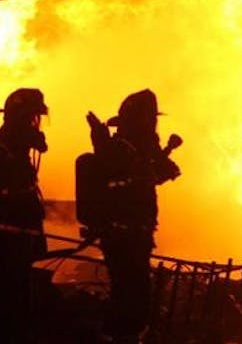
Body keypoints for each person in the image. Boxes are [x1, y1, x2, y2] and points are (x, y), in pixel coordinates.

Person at [85, 89, 181, 344]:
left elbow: (164, 173)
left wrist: (160, 155)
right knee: (129, 295)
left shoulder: (140, 150)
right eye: (149, 120)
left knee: (137, 295)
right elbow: (125, 178)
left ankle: (124, 336)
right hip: (122, 235)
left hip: (138, 234)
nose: (153, 126)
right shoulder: (118, 149)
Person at [0, 88, 49, 343]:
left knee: (16, 298)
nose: (35, 125)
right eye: (31, 119)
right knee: (2, 302)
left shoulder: (14, 155)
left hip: (15, 242)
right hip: (2, 244)